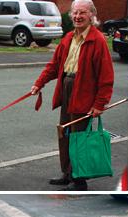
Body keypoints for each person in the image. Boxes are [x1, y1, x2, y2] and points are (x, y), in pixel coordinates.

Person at [30, 0, 114, 191]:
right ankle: (67, 174)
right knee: (65, 133)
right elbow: (54, 66)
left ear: (92, 15)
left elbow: (106, 77)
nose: (77, 17)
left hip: (84, 93)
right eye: (75, 13)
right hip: (66, 89)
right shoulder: (68, 38)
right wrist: (39, 83)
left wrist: (100, 104)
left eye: (82, 13)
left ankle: (79, 180)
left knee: (79, 137)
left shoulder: (98, 40)